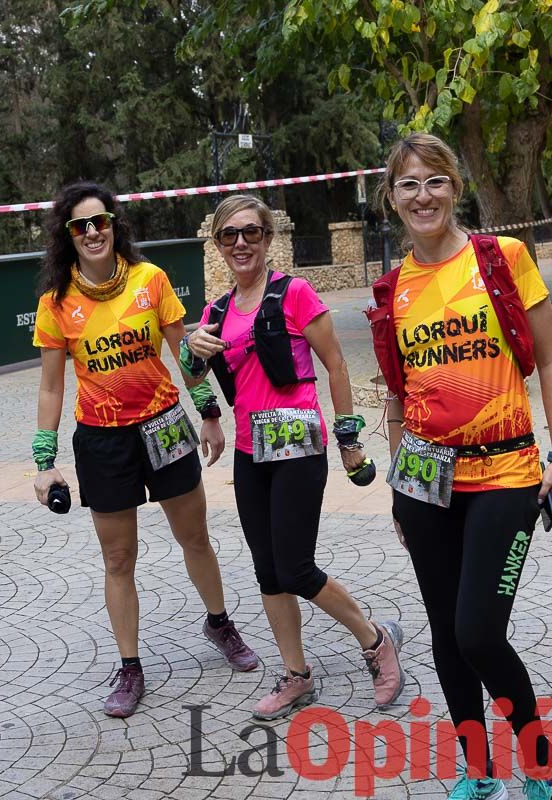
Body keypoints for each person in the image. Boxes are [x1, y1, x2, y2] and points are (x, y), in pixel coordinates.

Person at [366, 133, 552, 800]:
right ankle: (478, 772)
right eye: (407, 185)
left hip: (507, 471)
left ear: (455, 187)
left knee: (479, 631)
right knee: (447, 638)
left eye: (433, 181)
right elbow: (399, 398)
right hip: (425, 478)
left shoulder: (502, 259)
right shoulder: (394, 288)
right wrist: (401, 490)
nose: (421, 195)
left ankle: (539, 766)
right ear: (391, 200)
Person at [31, 181, 258, 719]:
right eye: (80, 226)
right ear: (68, 236)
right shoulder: (57, 303)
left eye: (100, 221)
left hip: (163, 428)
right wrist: (44, 462)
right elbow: (50, 387)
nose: (92, 232)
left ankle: (219, 623)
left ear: (114, 225)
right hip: (103, 441)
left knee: (194, 536)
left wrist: (208, 414)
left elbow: (186, 354)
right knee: (118, 558)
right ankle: (130, 665)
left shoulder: (149, 280)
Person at [186, 194, 406, 721]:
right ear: (218, 245)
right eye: (229, 235)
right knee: (267, 571)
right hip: (249, 454)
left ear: (267, 239)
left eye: (251, 233)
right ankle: (296, 675)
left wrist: (350, 442)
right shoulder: (215, 312)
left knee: (296, 566)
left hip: (299, 450)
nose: (241, 243)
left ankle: (375, 640)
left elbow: (335, 364)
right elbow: (194, 378)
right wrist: (194, 362)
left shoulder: (295, 294)